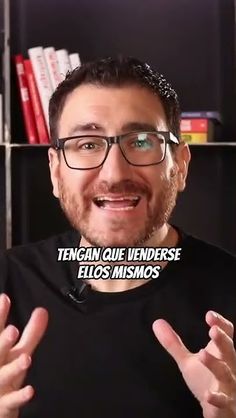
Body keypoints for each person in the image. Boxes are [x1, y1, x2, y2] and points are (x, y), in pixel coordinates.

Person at [0, 56, 235, 418]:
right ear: (55, 172)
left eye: (142, 141)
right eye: (87, 144)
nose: (114, 172)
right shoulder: (6, 286)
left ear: (181, 166)